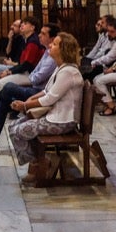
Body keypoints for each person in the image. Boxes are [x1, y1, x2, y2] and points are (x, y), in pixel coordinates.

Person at [8, 31, 86, 184]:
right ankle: (40, 161)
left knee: (19, 131)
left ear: (64, 49)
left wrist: (25, 105)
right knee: (13, 126)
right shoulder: (61, 68)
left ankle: (38, 164)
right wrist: (30, 100)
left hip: (63, 121)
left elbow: (50, 98)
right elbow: (45, 91)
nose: (50, 45)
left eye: (55, 44)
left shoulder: (69, 72)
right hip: (55, 116)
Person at [0, 24, 57, 153]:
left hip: (38, 91)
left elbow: (37, 77)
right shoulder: (46, 52)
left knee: (8, 87)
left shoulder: (52, 57)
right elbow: (35, 71)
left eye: (43, 34)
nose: (39, 35)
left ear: (53, 38)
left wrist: (29, 99)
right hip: (36, 89)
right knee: (4, 101)